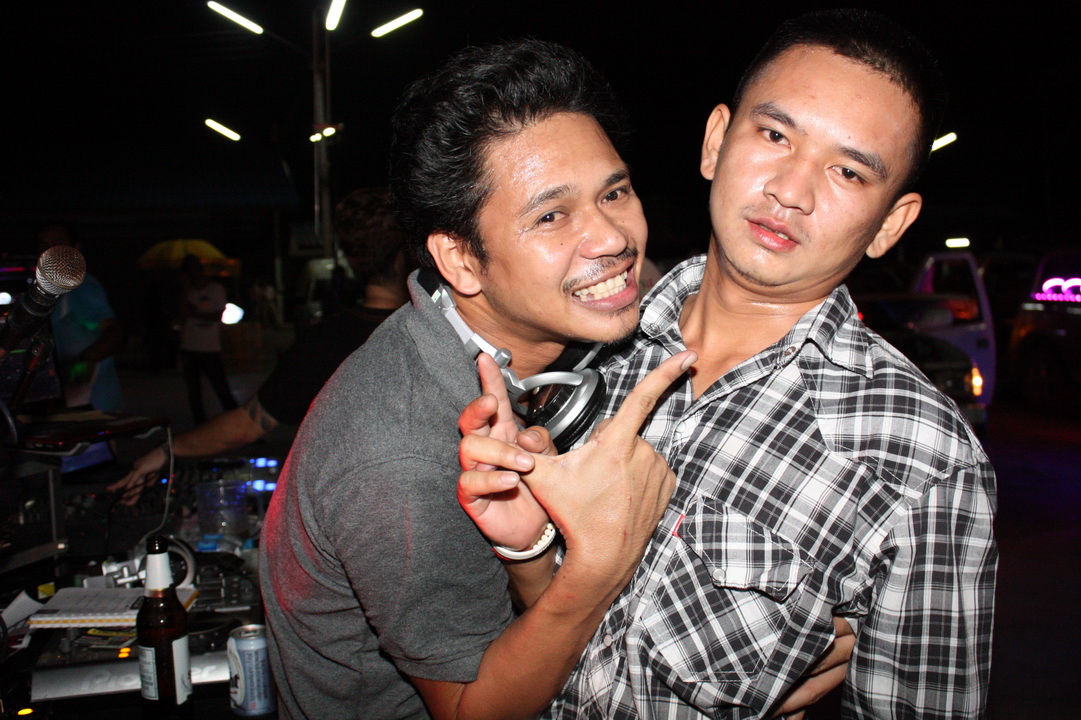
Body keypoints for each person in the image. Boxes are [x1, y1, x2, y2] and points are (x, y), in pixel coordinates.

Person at [459, 10, 996, 719]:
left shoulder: (922, 461)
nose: (791, 190)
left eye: (847, 171)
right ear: (716, 141)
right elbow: (565, 649)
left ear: (890, 224)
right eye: (774, 135)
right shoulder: (586, 351)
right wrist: (530, 554)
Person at [259, 39, 698, 720]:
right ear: (462, 261)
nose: (612, 237)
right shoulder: (401, 453)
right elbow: (472, 709)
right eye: (551, 216)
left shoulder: (535, 342)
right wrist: (597, 568)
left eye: (614, 192)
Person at [109, 188, 410, 503]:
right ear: (410, 253)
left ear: (350, 258)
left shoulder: (323, 343)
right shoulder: (436, 328)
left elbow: (248, 423)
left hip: (358, 508)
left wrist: (165, 451)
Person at [38, 223, 124, 411]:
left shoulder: (82, 286)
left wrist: (86, 360)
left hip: (93, 402)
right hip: (69, 401)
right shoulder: (49, 290)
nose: (51, 251)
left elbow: (114, 332)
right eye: (44, 245)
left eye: (58, 243)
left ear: (75, 247)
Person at [176, 253, 238, 425]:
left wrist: (195, 313)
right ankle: (200, 427)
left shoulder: (215, 289)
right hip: (190, 347)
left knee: (222, 390)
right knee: (194, 394)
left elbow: (216, 316)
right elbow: (182, 316)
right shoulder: (187, 292)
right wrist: (185, 291)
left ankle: (237, 425)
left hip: (210, 348)